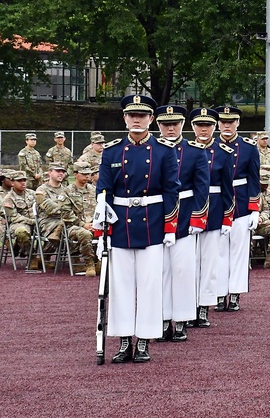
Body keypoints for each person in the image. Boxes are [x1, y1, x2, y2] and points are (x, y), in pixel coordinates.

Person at [97, 94, 180, 363]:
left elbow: (171, 191)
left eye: (142, 115)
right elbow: (103, 193)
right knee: (120, 286)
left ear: (151, 119)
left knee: (149, 284)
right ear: (124, 118)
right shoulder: (111, 151)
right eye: (132, 115)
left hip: (152, 223)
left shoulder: (164, 151)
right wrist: (102, 231)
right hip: (120, 224)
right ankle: (123, 341)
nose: (136, 119)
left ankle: (143, 339)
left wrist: (169, 227)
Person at [155, 105, 210, 341]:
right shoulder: (153, 150)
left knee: (183, 270)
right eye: (166, 124)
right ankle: (162, 318)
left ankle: (182, 319)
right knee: (160, 272)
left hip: (185, 217)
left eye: (175, 123)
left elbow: (202, 187)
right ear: (157, 125)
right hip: (157, 217)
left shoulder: (195, 152)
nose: (170, 128)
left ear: (182, 125)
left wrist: (198, 217)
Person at [190, 108, 235, 325]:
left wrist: (227, 217)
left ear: (215, 127)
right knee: (188, 263)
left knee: (209, 263)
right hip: (189, 211)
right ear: (192, 127)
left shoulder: (224, 153)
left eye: (208, 125)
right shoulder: (186, 151)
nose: (204, 129)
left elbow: (228, 188)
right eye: (199, 125)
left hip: (215, 211)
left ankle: (203, 307)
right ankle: (188, 306)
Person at [216, 105, 261, 312]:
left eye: (231, 121)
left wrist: (255, 208)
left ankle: (234, 293)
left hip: (241, 202)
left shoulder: (249, 147)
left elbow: (254, 178)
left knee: (239, 251)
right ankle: (217, 293)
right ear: (218, 123)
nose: (227, 125)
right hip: (217, 204)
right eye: (223, 121)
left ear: (238, 123)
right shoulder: (210, 146)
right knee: (217, 252)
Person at [65, 162, 99, 276]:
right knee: (85, 234)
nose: (87, 176)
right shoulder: (67, 191)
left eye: (88, 174)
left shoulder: (94, 190)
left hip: (95, 224)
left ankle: (101, 262)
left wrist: (96, 223)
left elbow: (100, 208)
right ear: (75, 174)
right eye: (83, 174)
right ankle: (89, 264)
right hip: (74, 226)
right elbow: (65, 214)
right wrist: (82, 224)